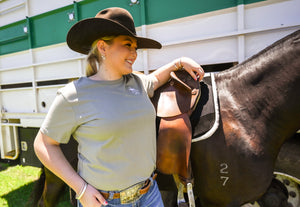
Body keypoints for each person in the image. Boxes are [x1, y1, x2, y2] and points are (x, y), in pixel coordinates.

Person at [34, 7, 204, 207]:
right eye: (127, 45)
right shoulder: (74, 95)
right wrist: (81, 189)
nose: (134, 53)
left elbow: (156, 79)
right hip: (105, 202)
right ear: (103, 48)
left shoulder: (137, 83)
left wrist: (179, 62)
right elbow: (43, 144)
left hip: (149, 195)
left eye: (135, 47)